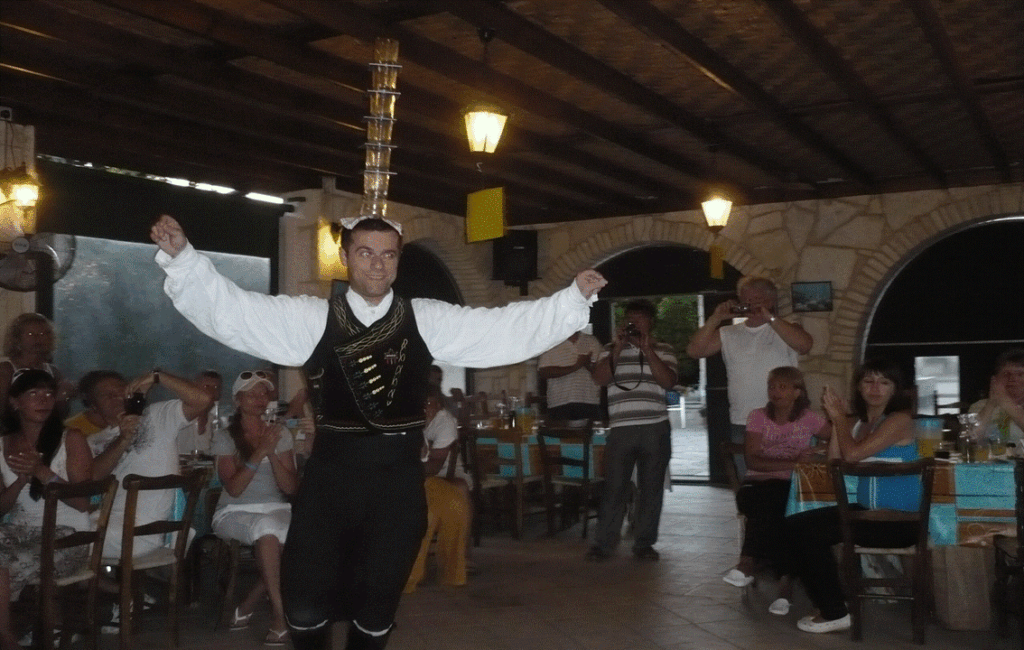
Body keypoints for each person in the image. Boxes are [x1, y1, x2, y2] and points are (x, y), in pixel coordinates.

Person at [149, 214, 606, 650]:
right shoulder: (311, 318)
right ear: (346, 256)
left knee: (377, 607)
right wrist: (185, 261)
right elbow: (237, 311)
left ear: (399, 260)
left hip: (397, 485)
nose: (377, 263)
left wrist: (569, 302)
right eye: (365, 252)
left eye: (388, 254)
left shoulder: (425, 316)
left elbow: (500, 329)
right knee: (305, 604)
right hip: (329, 482)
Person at [785, 358, 918, 634]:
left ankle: (834, 610)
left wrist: (839, 420)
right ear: (858, 387)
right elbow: (837, 462)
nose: (875, 388)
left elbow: (855, 454)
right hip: (866, 514)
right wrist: (841, 423)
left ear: (896, 389)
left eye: (884, 382)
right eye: (868, 381)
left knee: (809, 532)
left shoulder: (899, 420)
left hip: (897, 521)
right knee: (795, 524)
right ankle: (832, 604)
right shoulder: (861, 423)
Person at [722, 367, 828, 616]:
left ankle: (748, 563)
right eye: (772, 386)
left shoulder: (809, 418)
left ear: (797, 391)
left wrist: (818, 451)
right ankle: (783, 586)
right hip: (757, 485)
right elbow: (753, 461)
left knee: (784, 505)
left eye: (782, 387)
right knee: (773, 501)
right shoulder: (758, 416)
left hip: (790, 488)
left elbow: (838, 437)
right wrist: (795, 465)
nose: (775, 392)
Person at [0, 369, 92, 650]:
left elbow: (83, 502)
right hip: (18, 532)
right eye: (33, 394)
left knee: (3, 563)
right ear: (15, 402)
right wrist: (19, 482)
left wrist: (42, 472)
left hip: (67, 536)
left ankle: (7, 639)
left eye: (49, 393)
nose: (44, 400)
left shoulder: (71, 438)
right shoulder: (2, 443)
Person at [686, 277, 813, 473]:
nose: (751, 304)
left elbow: (805, 345)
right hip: (742, 419)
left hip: (786, 419)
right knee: (750, 483)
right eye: (746, 300)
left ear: (770, 301)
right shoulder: (728, 333)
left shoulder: (785, 329)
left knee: (789, 481)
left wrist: (769, 317)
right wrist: (716, 318)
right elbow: (694, 351)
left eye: (757, 299)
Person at [87, 369, 212, 559]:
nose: (117, 397)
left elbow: (202, 400)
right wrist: (123, 439)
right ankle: (112, 588)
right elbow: (93, 476)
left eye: (121, 390)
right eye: (107, 395)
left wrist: (158, 376)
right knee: (57, 533)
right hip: (104, 522)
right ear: (94, 406)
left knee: (58, 543)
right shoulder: (94, 441)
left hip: (144, 531)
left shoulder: (156, 416)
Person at [587, 299, 677, 562]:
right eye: (629, 318)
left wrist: (647, 351)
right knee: (614, 488)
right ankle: (603, 544)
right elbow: (599, 379)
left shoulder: (664, 349)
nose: (633, 323)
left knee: (651, 489)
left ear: (650, 322)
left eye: (639, 318)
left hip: (655, 428)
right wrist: (617, 348)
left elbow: (669, 382)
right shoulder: (609, 349)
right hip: (621, 429)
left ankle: (644, 544)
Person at [213, 371, 298, 647]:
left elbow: (290, 488)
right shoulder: (225, 437)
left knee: (278, 530)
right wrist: (259, 450)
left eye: (264, 393)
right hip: (235, 511)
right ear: (238, 400)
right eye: (252, 393)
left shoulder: (280, 434)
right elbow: (235, 489)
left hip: (277, 507)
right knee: (267, 530)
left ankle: (249, 602)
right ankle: (278, 616)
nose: (260, 399)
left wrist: (272, 450)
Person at [404, 387, 471, 593]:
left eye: (429, 404)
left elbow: (433, 466)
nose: (424, 409)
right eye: (420, 405)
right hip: (417, 477)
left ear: (439, 405)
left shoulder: (444, 422)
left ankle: (460, 559)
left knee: (456, 495)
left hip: (444, 471)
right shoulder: (408, 421)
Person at [0, 313, 73, 413]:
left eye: (43, 334)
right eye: (30, 334)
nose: (37, 338)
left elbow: (61, 415)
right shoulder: (6, 370)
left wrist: (64, 397)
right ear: (17, 339)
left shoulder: (53, 371)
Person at [537, 329, 603, 421]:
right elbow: (544, 372)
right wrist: (575, 366)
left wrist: (587, 364)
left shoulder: (592, 341)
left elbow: (602, 374)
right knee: (561, 435)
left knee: (591, 435)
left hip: (589, 402)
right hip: (559, 403)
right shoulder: (552, 342)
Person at [969, 348, 1024, 446]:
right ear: (995, 379)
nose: (1013, 379)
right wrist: (990, 405)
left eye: (1020, 374)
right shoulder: (979, 406)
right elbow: (971, 441)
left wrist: (1008, 405)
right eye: (1006, 374)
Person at [175, 369, 224, 455]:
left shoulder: (216, 421)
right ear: (195, 387)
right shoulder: (177, 413)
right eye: (206, 386)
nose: (211, 391)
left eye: (216, 387)